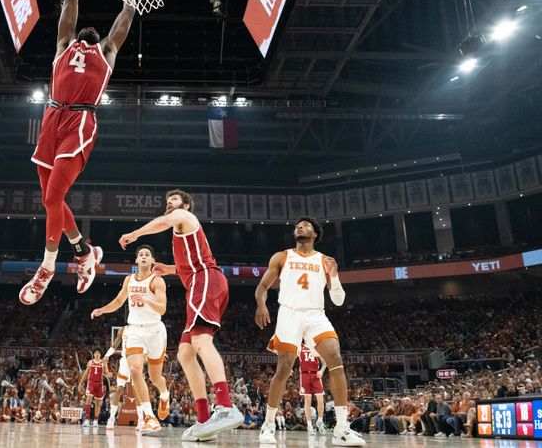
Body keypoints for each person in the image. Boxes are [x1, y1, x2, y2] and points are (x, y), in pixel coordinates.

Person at [20, 0, 136, 306]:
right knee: (49, 200)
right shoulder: (63, 46)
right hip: (52, 116)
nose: (85, 32)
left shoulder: (108, 51)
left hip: (80, 120)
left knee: (53, 197)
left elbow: (127, 11)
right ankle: (84, 251)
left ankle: (47, 268)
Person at [119, 190, 243, 441]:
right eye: (168, 202)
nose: (169, 204)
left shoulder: (182, 216)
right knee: (185, 353)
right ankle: (203, 419)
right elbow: (189, 264)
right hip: (199, 282)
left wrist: (136, 234)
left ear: (186, 205)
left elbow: (166, 222)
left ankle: (226, 405)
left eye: (174, 201)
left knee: (200, 341)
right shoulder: (183, 235)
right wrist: (172, 269)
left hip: (205, 279)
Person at [254, 217, 364, 446]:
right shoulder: (282, 256)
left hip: (315, 314)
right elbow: (262, 287)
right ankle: (268, 424)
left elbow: (339, 300)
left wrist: (333, 276)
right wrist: (261, 304)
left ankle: (342, 429)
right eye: (297, 226)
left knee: (335, 358)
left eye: (305, 226)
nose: (299, 227)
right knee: (284, 368)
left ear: (314, 234)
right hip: (289, 313)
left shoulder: (325, 261)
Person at [92, 245, 170, 434]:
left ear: (152, 261)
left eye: (147, 255)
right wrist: (102, 310)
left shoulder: (157, 281)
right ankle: (150, 417)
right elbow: (119, 302)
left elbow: (162, 308)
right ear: (136, 260)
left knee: (154, 377)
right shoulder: (129, 280)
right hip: (134, 330)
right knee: (135, 371)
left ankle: (164, 394)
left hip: (155, 331)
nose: (143, 256)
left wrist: (147, 299)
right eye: (140, 254)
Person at [99, 327, 144, 430]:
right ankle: (111, 419)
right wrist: (107, 355)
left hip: (136, 360)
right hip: (124, 361)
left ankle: (141, 420)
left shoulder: (141, 329)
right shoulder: (123, 330)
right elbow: (115, 345)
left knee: (137, 390)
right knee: (119, 389)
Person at [299, 342, 328, 434]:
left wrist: (322, 371)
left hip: (315, 375)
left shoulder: (316, 347)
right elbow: (290, 358)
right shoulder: (300, 347)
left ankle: (320, 421)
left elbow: (325, 362)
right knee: (307, 400)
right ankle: (309, 425)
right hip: (304, 375)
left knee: (320, 399)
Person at [78, 350, 109, 427]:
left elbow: (107, 373)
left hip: (99, 384)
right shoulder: (90, 362)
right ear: (94, 355)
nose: (97, 354)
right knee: (88, 399)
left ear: (100, 354)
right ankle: (87, 419)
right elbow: (86, 373)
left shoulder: (103, 362)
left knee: (98, 403)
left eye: (98, 352)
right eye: (96, 353)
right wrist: (80, 383)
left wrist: (107, 367)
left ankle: (95, 420)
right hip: (91, 382)